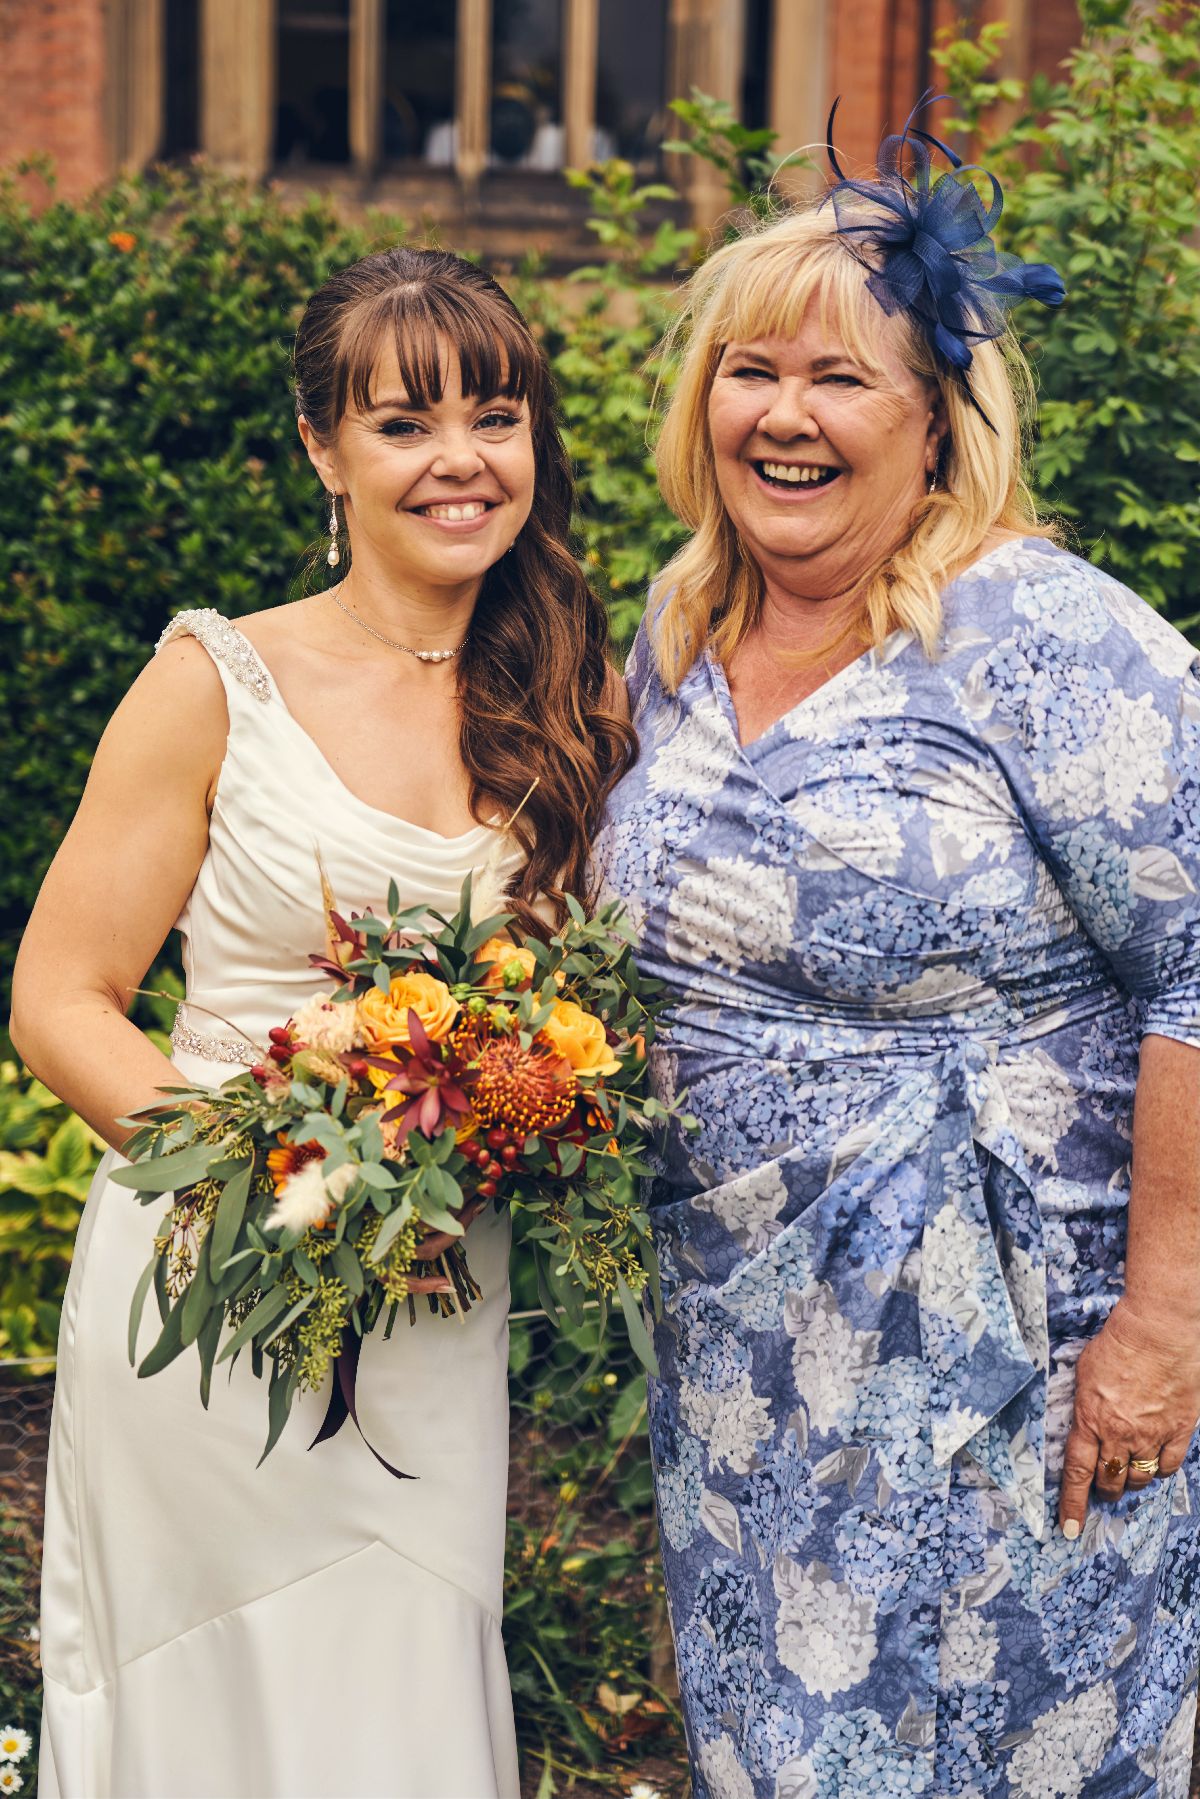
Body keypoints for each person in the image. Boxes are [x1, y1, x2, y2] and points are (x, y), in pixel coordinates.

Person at [598, 115, 1200, 1797]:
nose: (783, 417)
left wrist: (1168, 1318)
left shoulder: (1043, 632)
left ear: (938, 419)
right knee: (780, 1747)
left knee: (1004, 1746)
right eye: (749, 372)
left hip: (1015, 1353)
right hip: (742, 1367)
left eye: (840, 380)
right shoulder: (678, 628)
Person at [11, 245, 634, 1799]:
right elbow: (58, 1000)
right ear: (323, 452)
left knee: (401, 1686)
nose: (459, 460)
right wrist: (271, 1187)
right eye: (403, 422)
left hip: (433, 1301)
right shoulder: (217, 681)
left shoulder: (573, 693)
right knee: (216, 1699)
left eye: (494, 415)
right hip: (211, 1288)